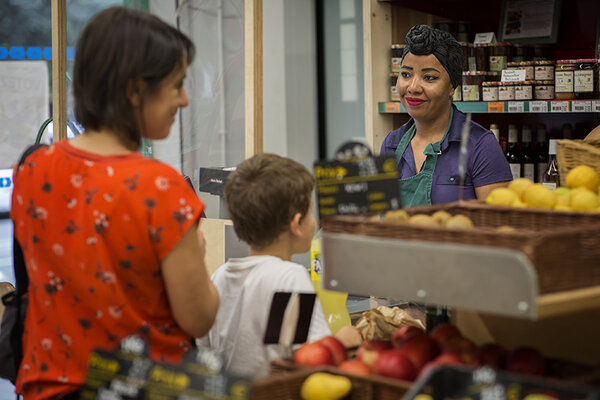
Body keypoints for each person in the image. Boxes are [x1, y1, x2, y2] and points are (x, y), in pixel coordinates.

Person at [10, 7, 219, 399]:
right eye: (176, 85)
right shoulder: (162, 188)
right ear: (135, 90)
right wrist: (199, 254)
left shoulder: (32, 170)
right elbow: (199, 317)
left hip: (48, 388)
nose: (185, 100)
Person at [198, 153, 362, 379]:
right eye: (311, 213)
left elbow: (209, 352)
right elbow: (312, 360)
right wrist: (343, 341)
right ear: (296, 224)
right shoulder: (289, 278)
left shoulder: (220, 276)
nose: (315, 222)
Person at [380, 25, 512, 207]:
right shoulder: (391, 144)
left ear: (452, 87)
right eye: (406, 74)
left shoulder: (481, 145)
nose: (413, 87)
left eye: (429, 77)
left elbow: (499, 227)